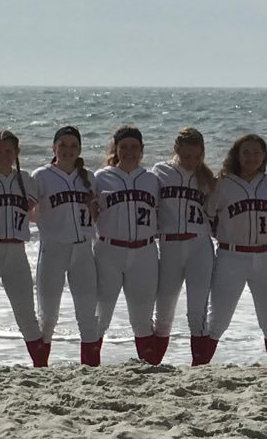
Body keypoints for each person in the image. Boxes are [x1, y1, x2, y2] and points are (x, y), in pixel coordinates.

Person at [204, 134, 267, 365]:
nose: (252, 157)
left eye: (257, 152)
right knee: (218, 317)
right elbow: (208, 220)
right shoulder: (221, 183)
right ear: (237, 155)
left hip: (266, 255)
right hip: (232, 255)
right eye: (246, 152)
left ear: (264, 156)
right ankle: (199, 366)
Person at [0, 130, 48, 367]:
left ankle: (41, 366)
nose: (3, 156)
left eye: (8, 151)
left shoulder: (26, 179)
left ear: (17, 153)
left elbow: (32, 212)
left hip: (16, 251)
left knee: (26, 315)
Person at [30, 126, 101, 365]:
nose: (68, 150)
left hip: (82, 250)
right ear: (54, 148)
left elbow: (97, 214)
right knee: (48, 316)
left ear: (79, 149)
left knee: (87, 314)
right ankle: (40, 366)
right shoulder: (41, 176)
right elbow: (28, 212)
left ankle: (90, 368)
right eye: (63, 145)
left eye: (73, 146)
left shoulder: (89, 177)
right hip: (53, 250)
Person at [92, 126, 164, 364]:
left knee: (142, 317)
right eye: (124, 147)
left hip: (144, 251)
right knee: (101, 315)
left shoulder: (152, 180)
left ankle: (149, 368)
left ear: (142, 150)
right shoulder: (100, 177)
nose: (129, 152)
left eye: (135, 147)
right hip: (109, 251)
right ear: (116, 149)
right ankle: (90, 367)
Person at [149, 128, 217, 365]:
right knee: (164, 310)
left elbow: (216, 214)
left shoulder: (207, 179)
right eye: (186, 156)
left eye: (197, 157)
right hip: (170, 246)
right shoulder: (160, 172)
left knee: (197, 312)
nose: (191, 161)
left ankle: (199, 366)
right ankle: (154, 363)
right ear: (176, 150)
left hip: (200, 246)